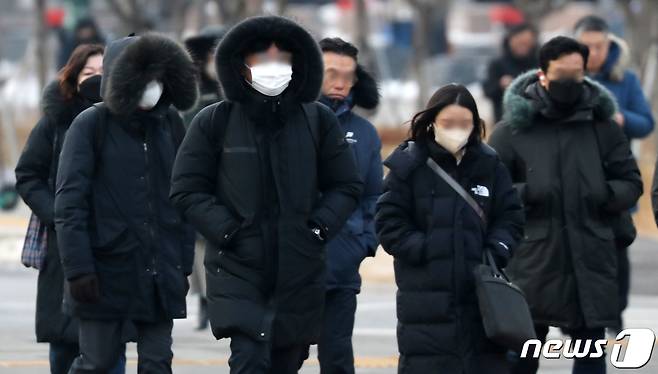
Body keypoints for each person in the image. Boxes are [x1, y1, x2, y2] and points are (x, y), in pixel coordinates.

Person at [170, 16, 363, 374]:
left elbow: (346, 185)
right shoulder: (215, 121)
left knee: (286, 361)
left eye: (283, 58)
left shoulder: (318, 120)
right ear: (241, 66)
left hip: (299, 269)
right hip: (238, 268)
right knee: (249, 360)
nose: (273, 66)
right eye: (262, 58)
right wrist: (228, 231)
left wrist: (318, 228)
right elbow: (186, 189)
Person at [488, 36, 643, 374]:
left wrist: (603, 194)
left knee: (590, 356)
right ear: (542, 74)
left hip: (591, 256)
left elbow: (631, 182)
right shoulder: (512, 129)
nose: (569, 84)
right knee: (521, 356)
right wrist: (527, 192)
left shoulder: (604, 127)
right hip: (532, 261)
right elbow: (486, 190)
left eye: (577, 75)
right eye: (561, 76)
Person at [54, 33, 198, 373]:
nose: (153, 86)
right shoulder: (91, 124)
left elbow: (183, 197)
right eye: (144, 77)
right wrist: (78, 269)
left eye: (160, 77)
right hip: (104, 272)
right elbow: (69, 204)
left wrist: (182, 262)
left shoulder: (170, 123)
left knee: (157, 363)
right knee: (97, 363)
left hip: (159, 271)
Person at [375, 84, 524, 374]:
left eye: (465, 123)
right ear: (431, 122)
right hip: (425, 298)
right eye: (448, 123)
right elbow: (388, 221)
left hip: (481, 295)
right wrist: (425, 248)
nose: (457, 130)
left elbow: (510, 217)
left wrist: (497, 250)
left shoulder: (490, 164)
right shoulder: (409, 165)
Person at [15, 44, 127, 374]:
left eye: (103, 74)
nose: (95, 80)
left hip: (114, 245)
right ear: (73, 76)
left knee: (110, 347)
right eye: (88, 73)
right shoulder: (55, 122)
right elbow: (28, 175)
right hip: (64, 243)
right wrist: (57, 215)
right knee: (63, 343)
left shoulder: (126, 122)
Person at [575, 15, 655, 333]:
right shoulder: (565, 78)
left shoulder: (625, 80)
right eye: (587, 46)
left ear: (610, 45)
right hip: (573, 179)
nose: (594, 52)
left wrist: (619, 119)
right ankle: (584, 314)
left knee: (617, 252)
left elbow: (646, 123)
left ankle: (615, 313)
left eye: (599, 46)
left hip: (614, 180)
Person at [312, 37, 382, 374]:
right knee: (283, 355)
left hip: (342, 262)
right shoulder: (290, 120)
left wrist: (364, 241)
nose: (340, 82)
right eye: (331, 73)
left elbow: (373, 195)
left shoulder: (365, 133)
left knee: (338, 359)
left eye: (348, 76)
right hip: (293, 265)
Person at [182, 25, 227, 331]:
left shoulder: (231, 87)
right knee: (199, 245)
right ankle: (203, 301)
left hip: (228, 173)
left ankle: (220, 299)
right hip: (198, 174)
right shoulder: (191, 92)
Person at [483, 23, 539, 123]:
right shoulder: (498, 64)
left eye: (526, 42)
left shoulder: (539, 63)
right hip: (505, 121)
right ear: (509, 41)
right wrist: (500, 84)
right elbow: (488, 91)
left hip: (536, 121)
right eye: (519, 42)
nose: (523, 46)